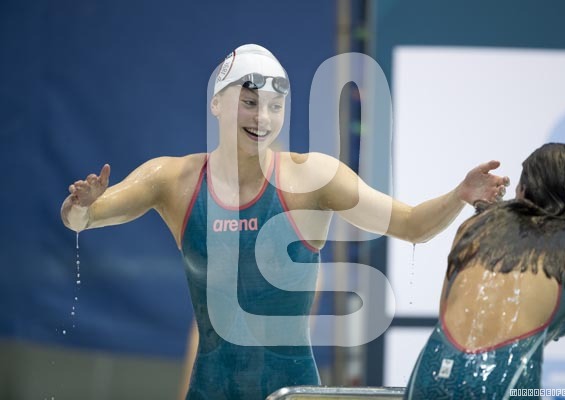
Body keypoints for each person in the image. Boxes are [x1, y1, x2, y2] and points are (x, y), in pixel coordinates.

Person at [61, 44, 508, 400]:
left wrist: (459, 195)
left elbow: (410, 224)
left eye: (275, 106)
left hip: (292, 391)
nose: (263, 118)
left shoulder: (312, 179)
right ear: (216, 104)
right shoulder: (172, 180)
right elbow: (82, 220)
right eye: (249, 103)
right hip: (210, 389)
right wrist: (81, 205)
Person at [406, 143, 565, 399]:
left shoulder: (475, 227)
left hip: (429, 374)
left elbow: (447, 306)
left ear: (523, 190)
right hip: (502, 384)